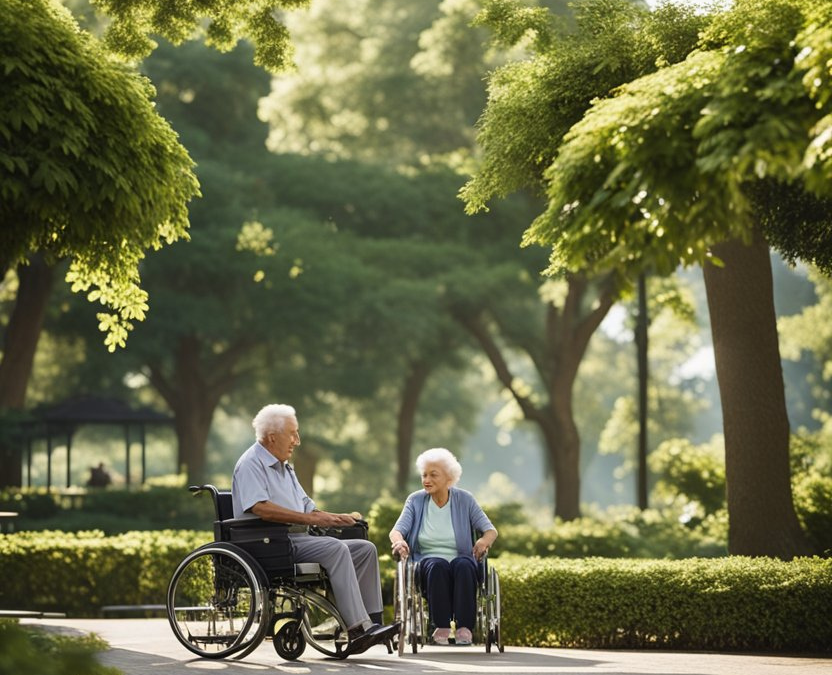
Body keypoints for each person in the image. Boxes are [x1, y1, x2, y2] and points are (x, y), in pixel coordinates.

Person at [232, 403, 397, 654]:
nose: (297, 441)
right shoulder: (250, 463)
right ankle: (356, 629)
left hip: (296, 540)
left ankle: (372, 623)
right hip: (268, 543)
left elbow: (309, 510)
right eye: (293, 433)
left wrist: (336, 518)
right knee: (335, 548)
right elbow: (261, 508)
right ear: (272, 436)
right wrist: (312, 520)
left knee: (365, 549)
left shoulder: (286, 467)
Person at [389, 447, 498, 646]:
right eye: (424, 475)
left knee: (464, 565)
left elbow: (491, 531)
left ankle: (465, 628)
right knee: (437, 564)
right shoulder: (415, 500)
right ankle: (442, 626)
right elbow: (396, 531)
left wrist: (483, 541)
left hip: (461, 560)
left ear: (449, 478)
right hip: (426, 563)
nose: (426, 480)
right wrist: (399, 542)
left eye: (433, 475)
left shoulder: (465, 499)